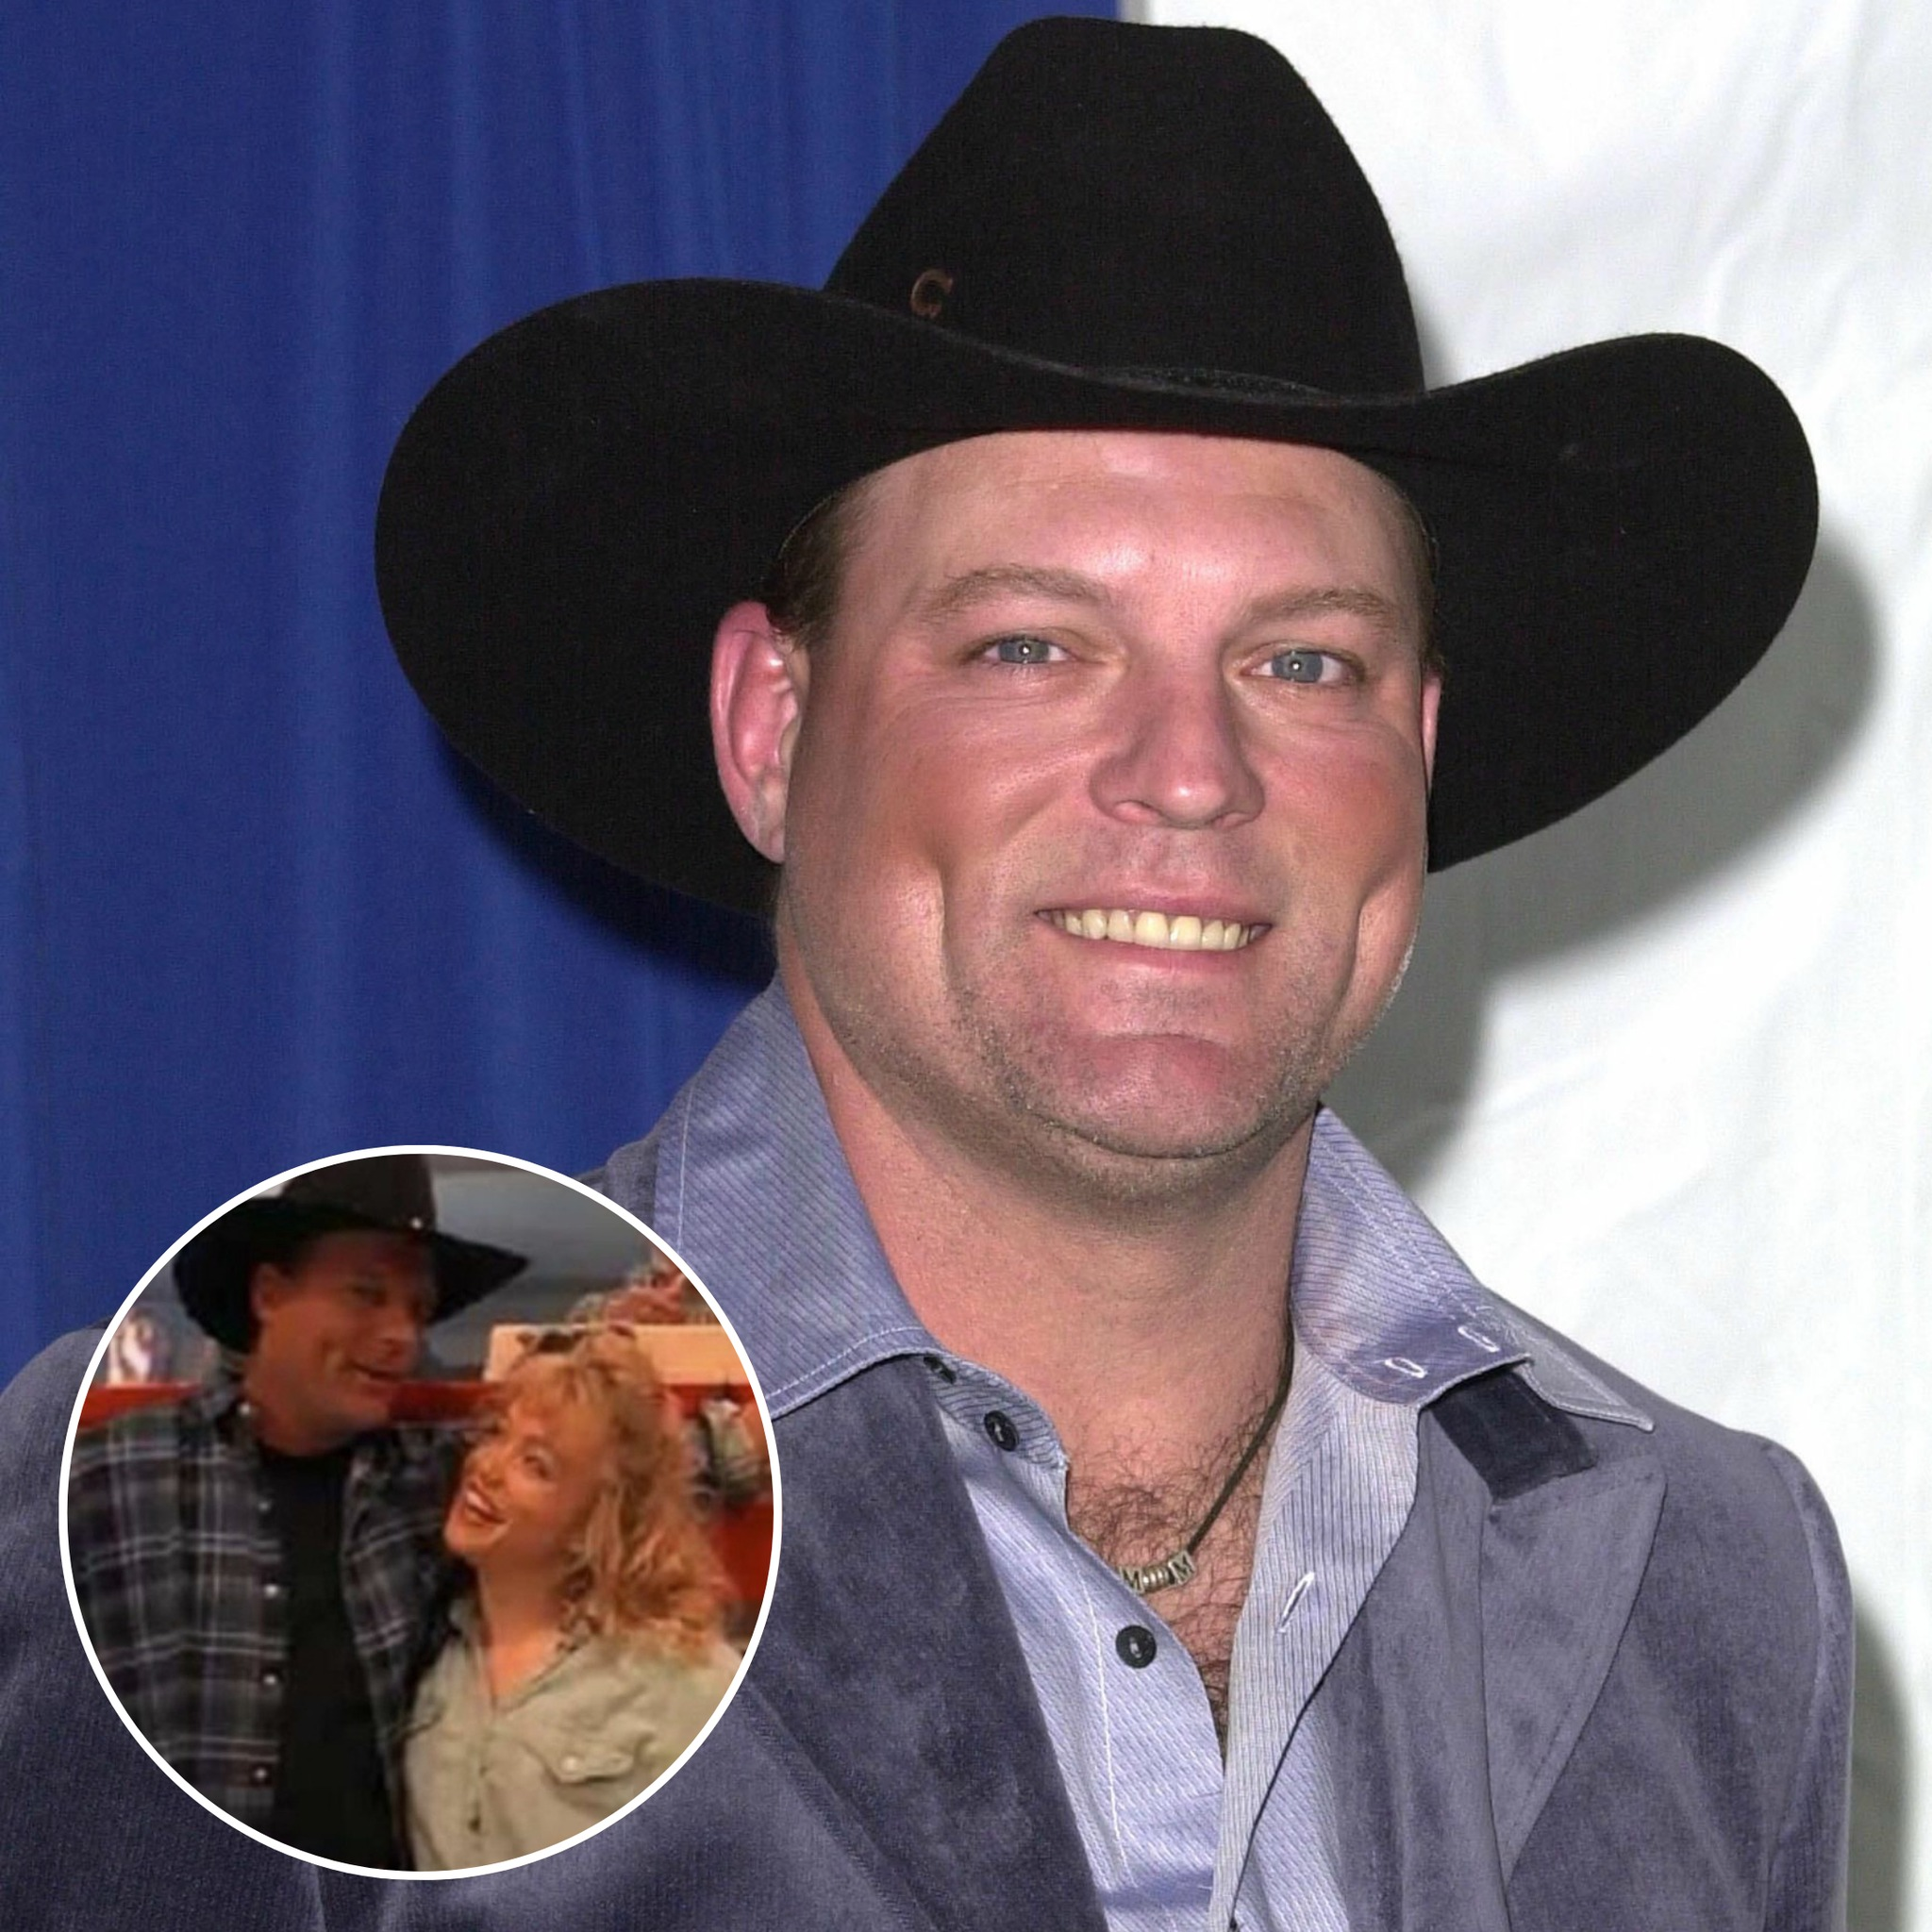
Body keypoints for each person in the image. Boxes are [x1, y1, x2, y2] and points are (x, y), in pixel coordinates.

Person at [0, 17, 1848, 1929]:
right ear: (771, 726)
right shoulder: (270, 1498)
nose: (1189, 773)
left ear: (1419, 752)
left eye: (1303, 662)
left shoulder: (1706, 1593)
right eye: (1029, 646)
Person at [64, 1154, 525, 1870]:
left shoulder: (440, 1479)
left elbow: (610, 1472)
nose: (402, 1334)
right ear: (270, 1294)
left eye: (418, 1309)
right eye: (367, 1294)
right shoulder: (113, 1474)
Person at [405, 1330, 739, 1870]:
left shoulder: (684, 1681)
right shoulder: (428, 1651)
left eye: (535, 1465)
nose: (487, 1468)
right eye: (496, 1433)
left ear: (595, 1523)